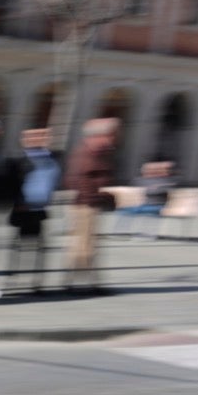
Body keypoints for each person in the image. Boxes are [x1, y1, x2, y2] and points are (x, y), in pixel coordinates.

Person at [3, 126, 63, 294]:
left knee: (39, 247)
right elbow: (10, 184)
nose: (41, 139)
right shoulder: (18, 160)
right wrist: (18, 201)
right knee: (19, 246)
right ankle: (14, 280)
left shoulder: (53, 158)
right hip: (23, 208)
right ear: (25, 140)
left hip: (40, 208)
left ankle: (35, 282)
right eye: (36, 136)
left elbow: (52, 180)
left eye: (44, 136)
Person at [62, 117, 118, 295]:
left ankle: (83, 283)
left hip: (90, 203)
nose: (113, 138)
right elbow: (76, 180)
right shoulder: (86, 153)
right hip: (85, 205)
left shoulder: (99, 152)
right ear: (98, 136)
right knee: (83, 246)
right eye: (110, 135)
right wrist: (97, 195)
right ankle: (79, 284)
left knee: (87, 245)